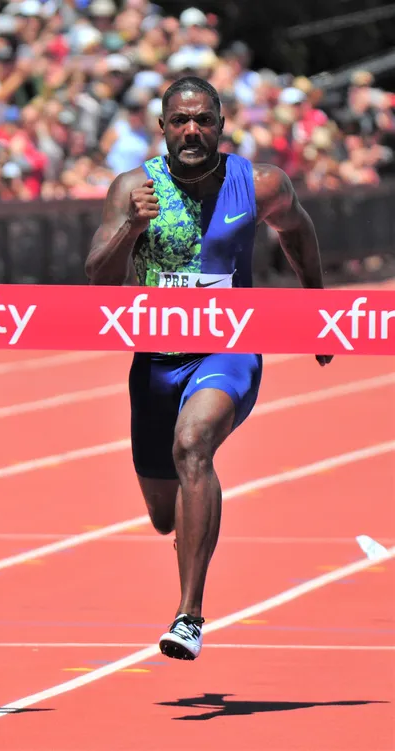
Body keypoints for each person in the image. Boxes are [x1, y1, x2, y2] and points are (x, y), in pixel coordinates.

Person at [85, 76, 332, 661]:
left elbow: (298, 232)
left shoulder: (261, 183)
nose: (191, 131)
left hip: (228, 350)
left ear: (221, 125)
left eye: (203, 120)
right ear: (163, 127)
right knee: (162, 513)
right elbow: (96, 278)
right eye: (179, 121)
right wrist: (130, 227)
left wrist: (317, 308)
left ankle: (188, 615)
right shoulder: (133, 187)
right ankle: (186, 525)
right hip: (154, 362)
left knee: (193, 444)